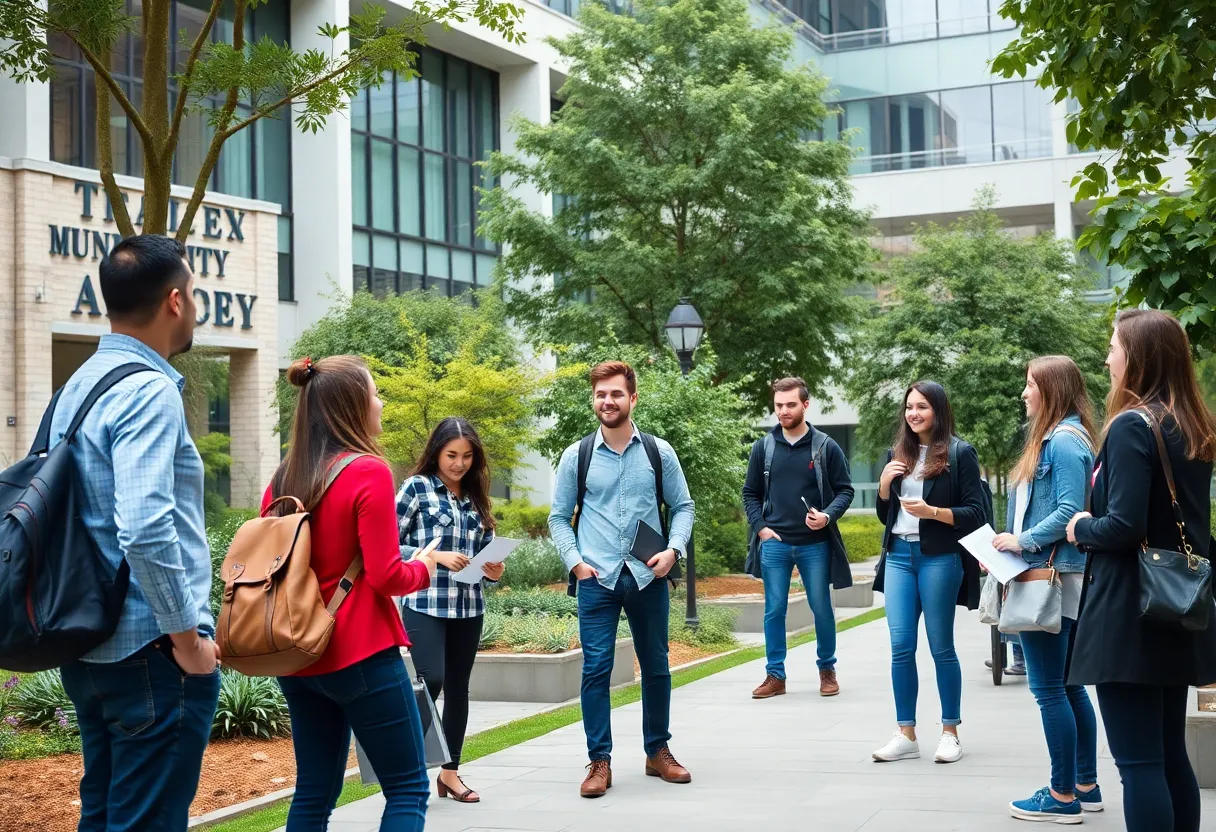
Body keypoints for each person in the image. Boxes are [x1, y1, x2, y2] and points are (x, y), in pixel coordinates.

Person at [49, 235, 220, 831]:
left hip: (86, 641)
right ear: (175, 301)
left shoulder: (75, 388)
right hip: (152, 650)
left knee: (102, 814)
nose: (195, 305)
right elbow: (146, 529)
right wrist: (187, 639)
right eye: (194, 294)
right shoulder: (149, 390)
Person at [266, 355, 437, 832]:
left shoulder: (283, 478)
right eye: (374, 392)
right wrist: (423, 568)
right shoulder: (368, 471)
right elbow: (386, 576)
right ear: (352, 406)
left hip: (298, 657)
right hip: (361, 654)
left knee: (314, 792)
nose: (380, 402)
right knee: (406, 788)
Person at [1066, 310, 1216, 832]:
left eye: (1113, 348)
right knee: (1171, 756)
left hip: (1129, 611)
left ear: (1139, 357)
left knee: (1140, 765)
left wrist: (1081, 526)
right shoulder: (1191, 423)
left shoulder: (1133, 424)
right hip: (1174, 608)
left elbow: (1124, 526)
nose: (1107, 359)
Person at [549, 361, 696, 798]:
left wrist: (674, 550)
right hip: (597, 578)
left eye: (615, 394)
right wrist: (576, 563)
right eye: (600, 394)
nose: (607, 401)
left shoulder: (658, 452)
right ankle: (599, 761)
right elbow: (559, 517)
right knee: (596, 669)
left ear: (632, 398)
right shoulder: (576, 456)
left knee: (656, 666)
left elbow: (683, 506)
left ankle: (657, 751)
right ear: (593, 399)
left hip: (648, 576)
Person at [992, 356, 1103, 822]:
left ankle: (1061, 797)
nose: (1024, 393)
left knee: (1048, 689)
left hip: (1052, 577)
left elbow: (1068, 511)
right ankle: (1084, 785)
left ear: (1051, 389)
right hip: (1063, 577)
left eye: (1030, 385)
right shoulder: (1068, 438)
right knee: (1069, 686)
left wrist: (1022, 540)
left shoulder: (1060, 442)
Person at [871, 381, 985, 765]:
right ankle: (906, 733)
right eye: (908, 407)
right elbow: (886, 517)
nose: (913, 414)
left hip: (939, 558)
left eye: (921, 406)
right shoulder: (897, 453)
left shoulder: (959, 452)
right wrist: (885, 486)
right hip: (899, 558)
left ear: (937, 410)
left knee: (941, 646)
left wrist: (933, 513)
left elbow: (976, 512)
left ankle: (950, 732)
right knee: (901, 647)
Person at [397, 417, 506, 804]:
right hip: (425, 601)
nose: (459, 463)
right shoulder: (416, 489)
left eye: (466, 456)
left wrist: (492, 569)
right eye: (451, 455)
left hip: (469, 606)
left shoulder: (477, 497)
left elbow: (485, 552)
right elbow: (386, 544)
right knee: (432, 680)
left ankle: (450, 773)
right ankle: (405, 769)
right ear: (436, 453)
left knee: (459, 689)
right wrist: (435, 556)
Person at [743, 376, 855, 699]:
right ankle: (775, 675)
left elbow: (845, 490)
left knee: (821, 607)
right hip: (775, 544)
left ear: (805, 404)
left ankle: (827, 669)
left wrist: (827, 516)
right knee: (773, 610)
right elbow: (750, 493)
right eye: (778, 405)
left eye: (790, 404)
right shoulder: (763, 447)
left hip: (814, 545)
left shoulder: (825, 447)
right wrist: (761, 528)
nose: (783, 411)